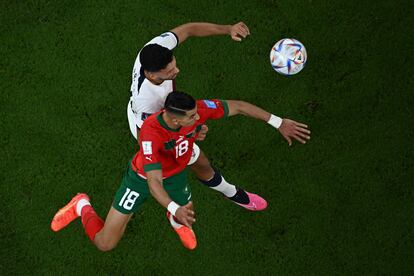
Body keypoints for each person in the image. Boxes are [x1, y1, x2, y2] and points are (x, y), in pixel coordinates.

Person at [51, 91, 311, 251]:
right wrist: (173, 206)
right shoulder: (151, 133)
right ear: (173, 118)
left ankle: (178, 221)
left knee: (186, 211)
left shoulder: (193, 111)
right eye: (191, 118)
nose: (198, 117)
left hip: (176, 173)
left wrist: (278, 122)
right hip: (142, 179)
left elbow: (239, 106)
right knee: (105, 243)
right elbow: (153, 182)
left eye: (197, 114)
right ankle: (81, 205)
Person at [127, 22, 309, 216]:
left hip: (172, 115)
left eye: (175, 65)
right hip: (155, 132)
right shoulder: (147, 103)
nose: (177, 71)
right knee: (194, 163)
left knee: (202, 163)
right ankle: (178, 208)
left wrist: (228, 29)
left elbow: (189, 29)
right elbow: (151, 134)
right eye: (170, 72)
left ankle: (231, 193)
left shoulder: (153, 51)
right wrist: (190, 133)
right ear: (151, 74)